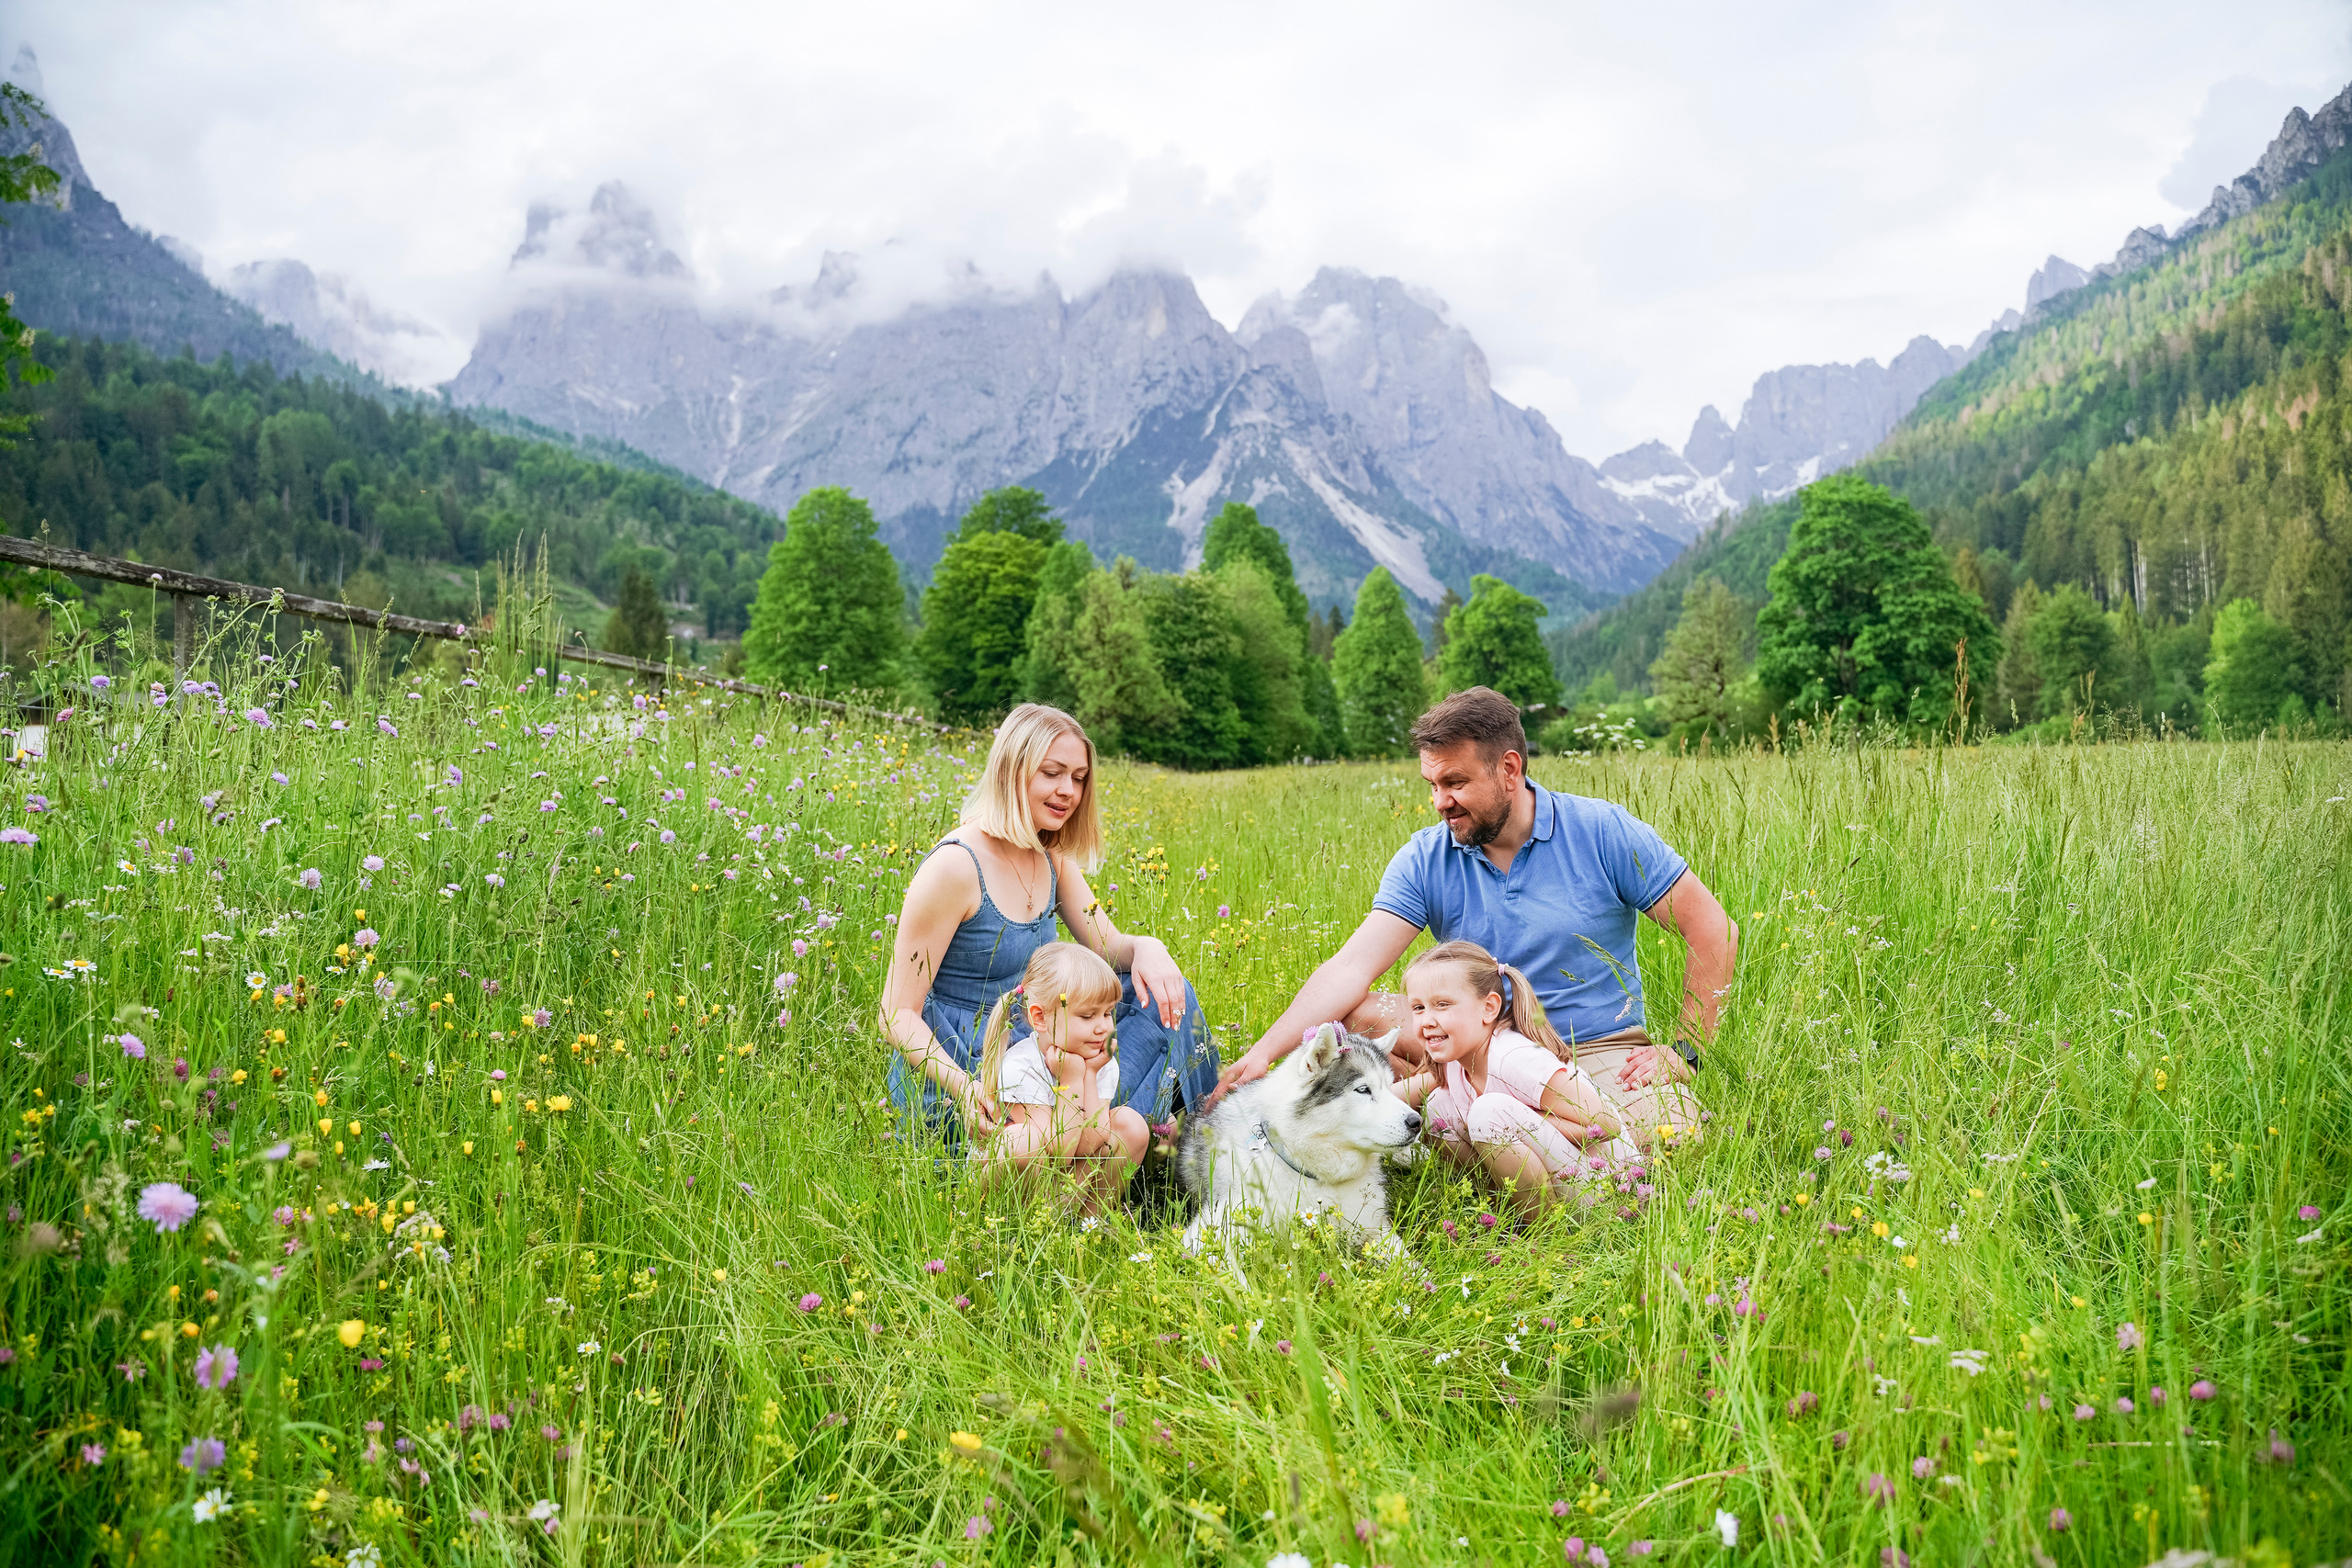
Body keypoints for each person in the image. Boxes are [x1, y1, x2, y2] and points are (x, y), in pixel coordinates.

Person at [1213, 686, 1733, 1148]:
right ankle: (1499, 1119)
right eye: (1432, 784)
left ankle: (1508, 1124)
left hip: (1592, 1048)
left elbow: (1713, 930)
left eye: (1455, 782)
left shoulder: (1600, 831)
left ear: (1509, 769)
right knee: (1358, 1014)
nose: (1440, 801)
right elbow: (1350, 969)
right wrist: (1262, 1056)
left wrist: (1685, 1050)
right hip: (1475, 1045)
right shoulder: (1425, 856)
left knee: (1677, 1137)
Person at [880, 703, 1218, 1147]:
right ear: (1012, 772)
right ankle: (1119, 1139)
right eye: (1052, 773)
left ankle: (1188, 1137)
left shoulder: (1050, 855)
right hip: (971, 1064)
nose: (1068, 792)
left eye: (1078, 778)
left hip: (1044, 1043)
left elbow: (1107, 948)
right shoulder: (955, 867)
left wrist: (1148, 947)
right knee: (1046, 1121)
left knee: (1163, 992)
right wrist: (966, 1089)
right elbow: (896, 1013)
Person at [1391, 940, 1636, 1212]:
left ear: (1489, 1008)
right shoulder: (1456, 1061)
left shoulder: (1515, 1058)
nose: (1427, 1020)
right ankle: (1500, 1213)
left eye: (1442, 1004)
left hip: (1608, 1187)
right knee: (1437, 1106)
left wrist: (1519, 1124)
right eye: (1418, 1008)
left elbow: (1607, 1124)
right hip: (1562, 1172)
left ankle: (1547, 1236)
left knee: (1487, 1113)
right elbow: (1399, 1097)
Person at [969, 941, 1149, 1213]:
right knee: (1022, 1141)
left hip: (1067, 1183)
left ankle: (1088, 1226)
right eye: (1087, 1016)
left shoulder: (1099, 1060)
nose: (1103, 1027)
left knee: (1131, 1125)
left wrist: (1088, 1073)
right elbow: (1058, 1152)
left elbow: (1091, 1142)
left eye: (1108, 1013)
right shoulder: (1022, 1065)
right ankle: (1017, 1232)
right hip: (1022, 1189)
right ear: (1040, 1018)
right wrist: (1070, 1081)